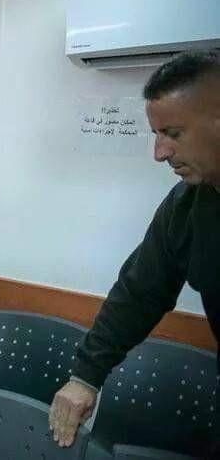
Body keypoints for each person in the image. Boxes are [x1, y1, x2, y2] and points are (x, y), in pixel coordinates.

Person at [49, 50, 220, 458]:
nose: (159, 153)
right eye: (156, 134)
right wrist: (86, 376)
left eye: (173, 133)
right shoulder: (185, 207)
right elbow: (139, 292)